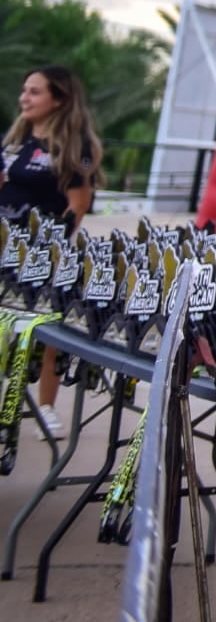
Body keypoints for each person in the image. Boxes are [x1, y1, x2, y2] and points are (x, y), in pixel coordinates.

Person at [1, 65, 104, 440]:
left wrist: (47, 249)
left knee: (47, 328)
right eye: (24, 90)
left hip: (44, 253)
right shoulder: (13, 141)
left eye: (34, 92)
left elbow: (77, 205)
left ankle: (45, 408)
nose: (24, 98)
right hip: (3, 246)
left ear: (58, 98)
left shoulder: (76, 147)